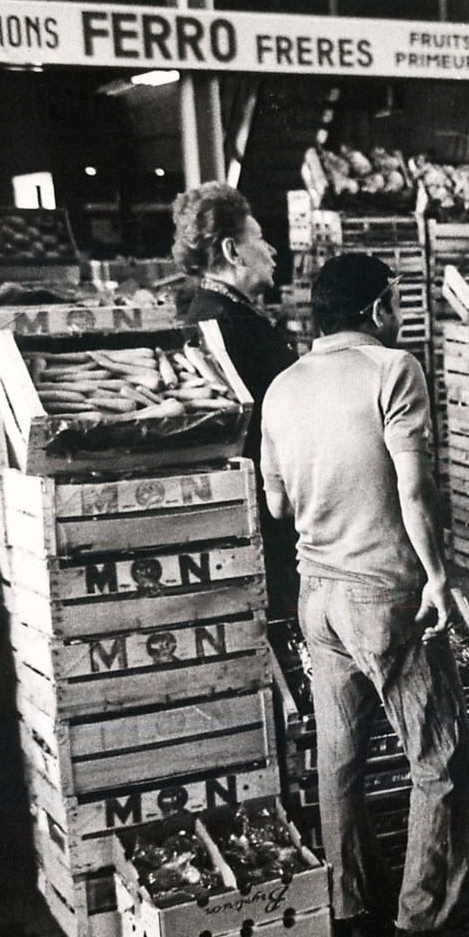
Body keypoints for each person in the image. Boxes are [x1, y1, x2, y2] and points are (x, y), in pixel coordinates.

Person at [260, 252, 469, 937]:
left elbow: (276, 502)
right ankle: (421, 916)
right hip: (383, 591)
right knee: (438, 758)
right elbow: (415, 491)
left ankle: (349, 905)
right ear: (379, 308)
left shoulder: (282, 388)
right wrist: (438, 577)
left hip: (314, 594)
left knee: (340, 758)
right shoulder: (393, 369)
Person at [171, 181, 301, 617]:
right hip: (263, 505)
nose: (272, 251)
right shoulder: (220, 322)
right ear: (232, 250)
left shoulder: (228, 313)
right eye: (260, 238)